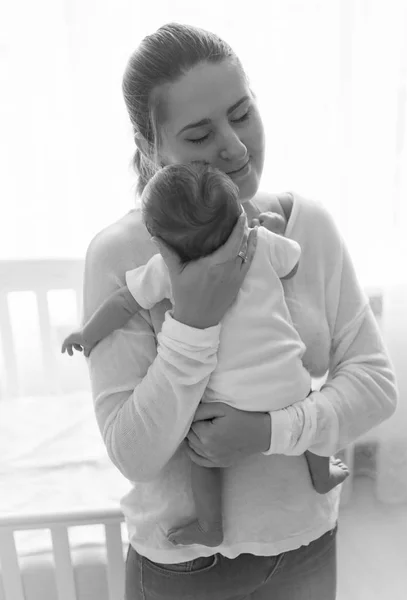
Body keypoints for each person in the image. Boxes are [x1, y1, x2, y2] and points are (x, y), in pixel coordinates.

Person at [83, 22, 397, 600]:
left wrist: (270, 432)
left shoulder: (307, 229)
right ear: (152, 150)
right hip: (181, 568)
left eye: (242, 113)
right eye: (199, 135)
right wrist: (192, 325)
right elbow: (134, 455)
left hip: (305, 545)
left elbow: (375, 384)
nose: (234, 146)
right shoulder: (120, 256)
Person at [63, 162, 349, 548]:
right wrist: (270, 230)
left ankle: (210, 525)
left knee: (202, 454)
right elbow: (293, 260)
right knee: (311, 411)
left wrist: (89, 333)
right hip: (289, 385)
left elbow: (123, 303)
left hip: (227, 402)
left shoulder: (168, 269)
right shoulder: (258, 244)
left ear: (159, 240)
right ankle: (322, 473)